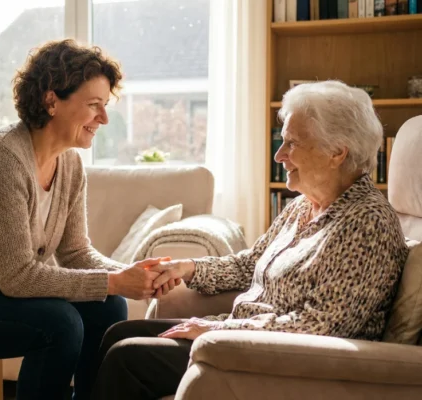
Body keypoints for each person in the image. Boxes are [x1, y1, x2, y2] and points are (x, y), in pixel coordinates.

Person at [91, 80, 410, 400]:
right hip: (240, 337)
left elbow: (321, 328)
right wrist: (187, 268)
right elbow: (251, 263)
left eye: (292, 143)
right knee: (118, 333)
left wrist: (216, 330)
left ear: (337, 153)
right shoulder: (303, 206)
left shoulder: (367, 225)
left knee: (127, 358)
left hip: (275, 361)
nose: (280, 155)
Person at [0, 39, 179, 400]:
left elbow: (76, 252)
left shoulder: (71, 163)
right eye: (94, 105)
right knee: (60, 324)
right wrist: (114, 280)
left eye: (105, 106)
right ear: (51, 101)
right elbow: (18, 277)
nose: (104, 119)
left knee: (109, 305)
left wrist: (132, 274)